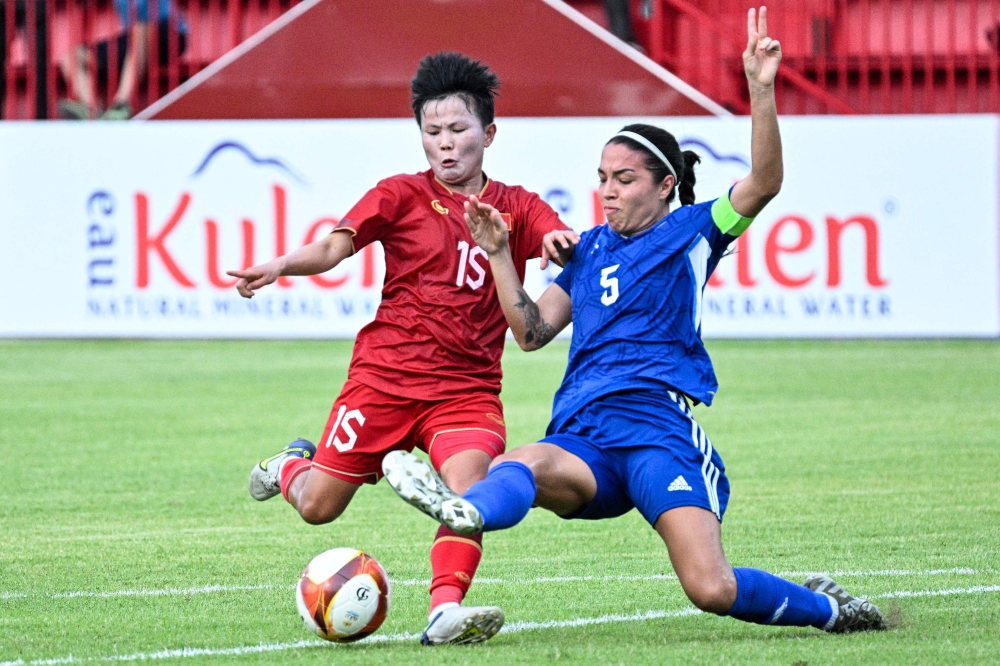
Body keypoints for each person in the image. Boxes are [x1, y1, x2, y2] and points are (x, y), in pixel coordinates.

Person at [382, 9, 888, 635]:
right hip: (585, 435)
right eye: (601, 179)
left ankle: (832, 609)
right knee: (524, 465)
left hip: (656, 434)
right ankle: (465, 510)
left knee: (711, 588)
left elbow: (764, 181)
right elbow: (532, 333)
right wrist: (498, 255)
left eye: (623, 179)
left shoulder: (693, 232)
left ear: (665, 185)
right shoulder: (589, 248)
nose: (608, 191)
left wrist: (760, 89)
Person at [228, 52, 578, 645]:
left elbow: (556, 236)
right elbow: (336, 247)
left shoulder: (517, 206)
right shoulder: (399, 194)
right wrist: (284, 263)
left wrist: (562, 244)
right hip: (383, 381)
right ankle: (289, 463)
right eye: (432, 132)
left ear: (489, 134)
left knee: (471, 495)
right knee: (318, 507)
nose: (445, 144)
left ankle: (445, 611)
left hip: (465, 393)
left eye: (458, 130)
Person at [58, 0, 187, 120]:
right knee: (72, 56)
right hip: (133, 36)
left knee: (140, 30)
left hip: (170, 34)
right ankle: (91, 111)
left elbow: (146, 16)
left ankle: (122, 104)